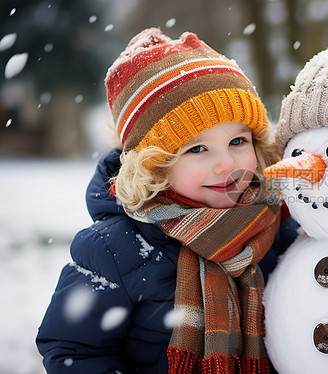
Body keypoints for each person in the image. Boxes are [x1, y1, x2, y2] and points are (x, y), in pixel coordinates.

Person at [36, 28, 298, 374]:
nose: (227, 164)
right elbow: (75, 351)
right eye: (197, 149)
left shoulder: (276, 224)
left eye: (238, 141)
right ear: (154, 165)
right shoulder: (115, 250)